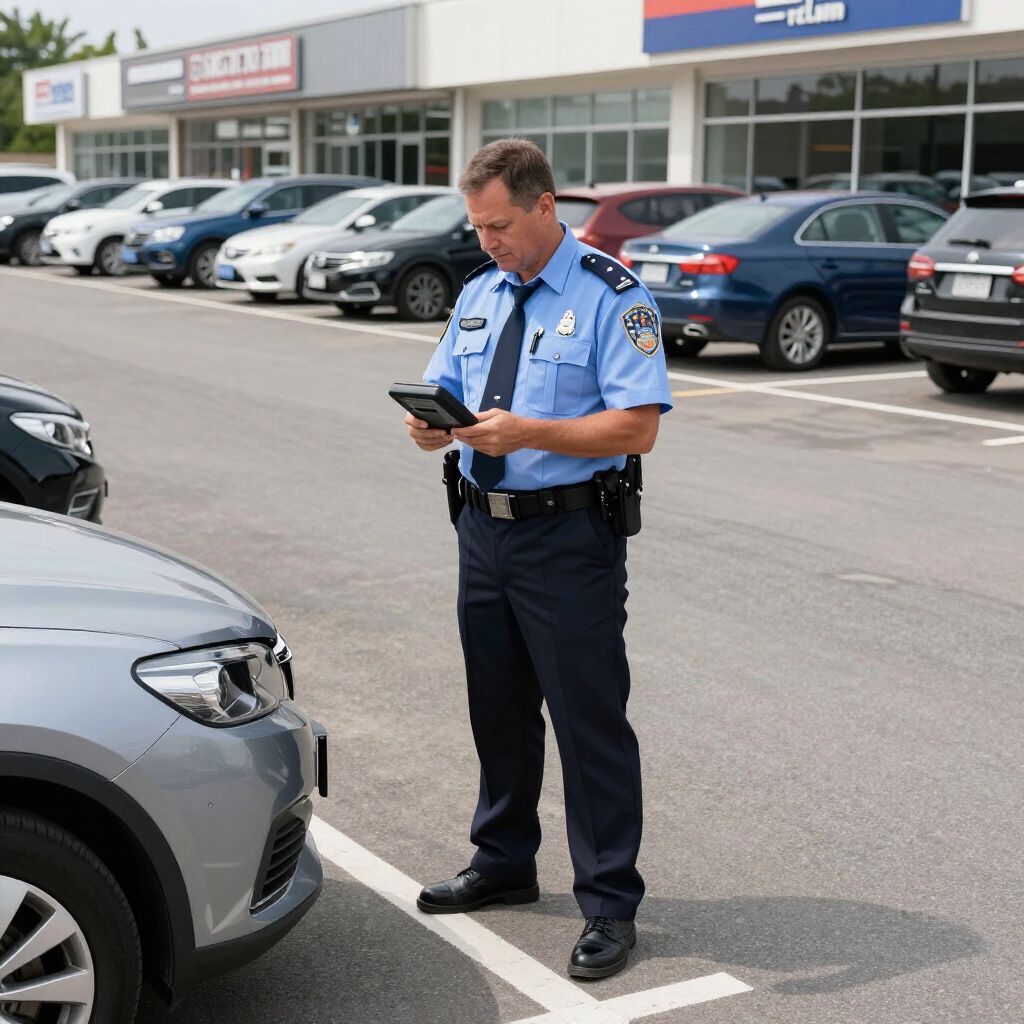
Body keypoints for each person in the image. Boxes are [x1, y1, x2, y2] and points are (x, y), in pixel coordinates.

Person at [404, 138, 672, 980]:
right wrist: (428, 428)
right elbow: (439, 387)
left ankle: (609, 903)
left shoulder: (609, 296)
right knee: (500, 706)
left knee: (588, 718)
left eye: (499, 225)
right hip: (482, 529)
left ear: (544, 205)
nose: (487, 242)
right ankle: (504, 861)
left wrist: (531, 431)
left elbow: (638, 426)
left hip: (566, 538)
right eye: (477, 226)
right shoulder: (481, 293)